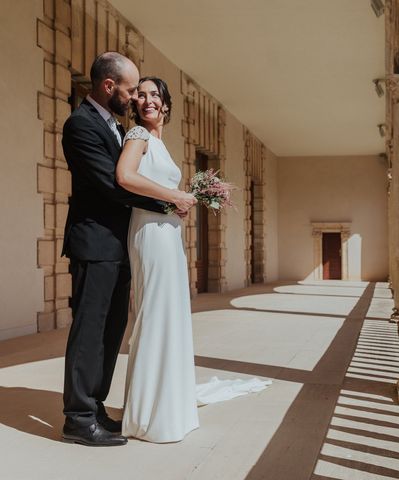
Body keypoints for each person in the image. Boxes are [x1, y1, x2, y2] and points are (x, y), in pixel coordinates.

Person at [116, 77, 270, 443]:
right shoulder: (137, 135)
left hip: (167, 232)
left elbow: (151, 187)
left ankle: (165, 402)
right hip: (150, 234)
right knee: (154, 314)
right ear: (135, 104)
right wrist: (176, 195)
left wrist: (175, 203)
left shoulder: (159, 142)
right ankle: (148, 414)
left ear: (166, 104)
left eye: (155, 94)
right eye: (141, 95)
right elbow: (124, 176)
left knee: (170, 314)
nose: (147, 100)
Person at [60, 52, 196, 447]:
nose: (136, 97)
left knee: (111, 330)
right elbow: (112, 183)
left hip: (122, 246)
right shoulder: (80, 125)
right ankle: (78, 418)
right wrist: (171, 203)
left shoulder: (119, 128)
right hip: (95, 243)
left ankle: (96, 406)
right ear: (109, 86)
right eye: (131, 89)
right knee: (89, 331)